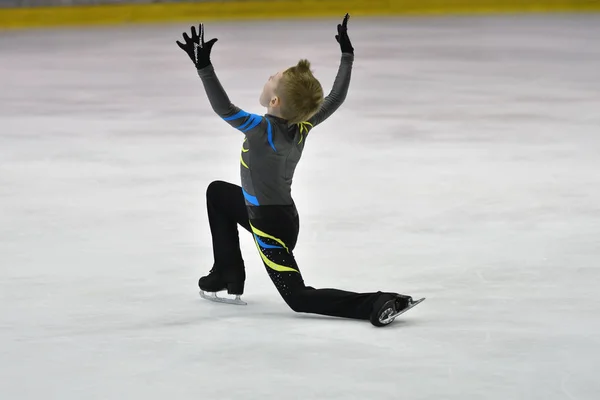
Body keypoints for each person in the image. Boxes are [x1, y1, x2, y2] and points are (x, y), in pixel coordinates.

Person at [176, 14, 422, 327]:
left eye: (271, 78)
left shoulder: (260, 128)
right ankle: (227, 272)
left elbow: (225, 109)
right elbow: (335, 98)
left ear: (275, 100)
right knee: (219, 193)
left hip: (269, 228)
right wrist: (347, 56)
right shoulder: (302, 125)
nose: (268, 78)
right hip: (282, 216)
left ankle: (377, 302)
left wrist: (204, 69)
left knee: (298, 297)